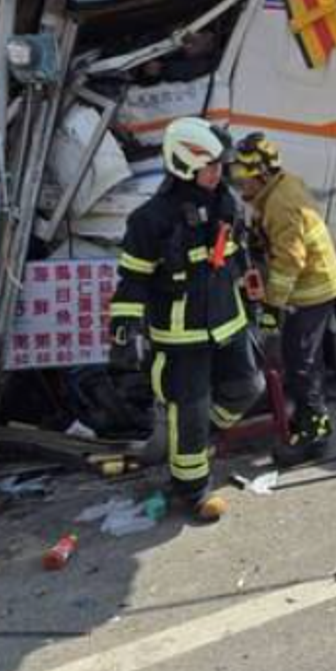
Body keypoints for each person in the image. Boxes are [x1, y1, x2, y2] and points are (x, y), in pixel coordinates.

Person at [108, 117, 263, 522]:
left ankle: (194, 438)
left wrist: (255, 307)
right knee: (189, 408)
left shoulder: (227, 203)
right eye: (210, 166)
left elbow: (239, 259)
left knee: (248, 388)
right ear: (184, 164)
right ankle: (192, 491)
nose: (218, 173)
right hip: (181, 336)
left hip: (228, 323)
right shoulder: (150, 220)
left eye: (220, 165)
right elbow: (133, 281)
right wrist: (124, 333)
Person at [230, 132, 336, 465]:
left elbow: (290, 260)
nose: (239, 182)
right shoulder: (278, 187)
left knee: (300, 363)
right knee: (304, 360)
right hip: (312, 284)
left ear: (262, 175)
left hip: (310, 290)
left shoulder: (280, 202)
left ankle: (315, 435)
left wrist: (271, 306)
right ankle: (309, 416)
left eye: (243, 175)